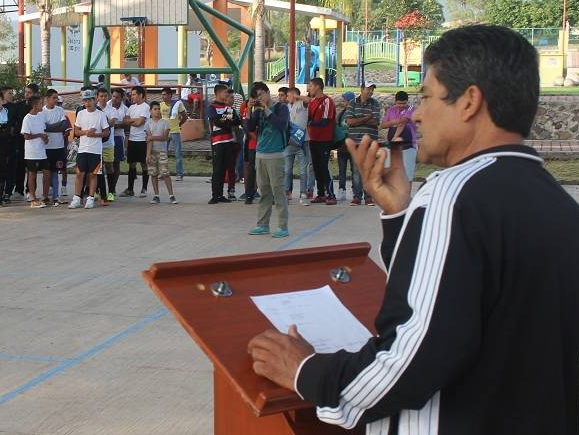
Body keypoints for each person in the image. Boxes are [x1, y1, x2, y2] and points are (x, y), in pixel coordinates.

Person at [247, 25, 579, 434]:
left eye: (426, 96)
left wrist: (307, 371)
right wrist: (401, 215)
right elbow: (454, 301)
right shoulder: (558, 203)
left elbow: (410, 358)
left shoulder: (453, 194)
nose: (416, 114)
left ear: (469, 101)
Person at [247, 83, 290, 238]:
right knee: (264, 192)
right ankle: (263, 225)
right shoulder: (257, 111)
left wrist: (266, 109)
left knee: (278, 192)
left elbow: (281, 125)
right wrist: (249, 110)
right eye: (256, 97)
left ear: (267, 92)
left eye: (261, 95)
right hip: (260, 155)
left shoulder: (281, 108)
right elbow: (249, 128)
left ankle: (283, 226)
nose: (259, 98)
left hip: (276, 155)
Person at [69, 89, 109, 209]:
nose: (87, 102)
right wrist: (86, 132)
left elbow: (106, 132)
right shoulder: (81, 114)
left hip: (95, 150)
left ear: (94, 100)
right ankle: (77, 198)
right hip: (82, 149)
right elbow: (76, 131)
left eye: (89, 100)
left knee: (93, 175)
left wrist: (95, 134)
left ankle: (90, 198)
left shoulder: (101, 115)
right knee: (79, 174)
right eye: (85, 100)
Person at [344, 81, 380, 206]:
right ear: (362, 89)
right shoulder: (352, 103)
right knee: (356, 170)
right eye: (368, 89)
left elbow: (375, 122)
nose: (370, 91)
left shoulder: (375, 103)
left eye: (372, 89)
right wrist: (366, 118)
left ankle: (369, 197)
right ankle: (357, 197)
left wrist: (358, 120)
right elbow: (350, 122)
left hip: (370, 143)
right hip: (355, 143)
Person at [208, 83, 240, 204]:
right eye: (225, 92)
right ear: (218, 93)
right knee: (217, 169)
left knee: (225, 168)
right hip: (217, 142)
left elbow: (236, 121)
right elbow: (217, 122)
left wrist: (225, 119)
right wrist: (226, 120)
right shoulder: (212, 107)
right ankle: (215, 195)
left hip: (229, 141)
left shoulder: (229, 107)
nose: (227, 94)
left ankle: (220, 195)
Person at [306, 78, 336, 205]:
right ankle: (321, 194)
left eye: (311, 86)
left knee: (324, 167)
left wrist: (311, 123)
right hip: (313, 138)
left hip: (324, 139)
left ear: (318, 86)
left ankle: (331, 194)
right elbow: (308, 118)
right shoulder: (312, 102)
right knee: (316, 167)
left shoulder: (327, 101)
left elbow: (325, 120)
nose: (309, 88)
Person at [382, 90, 418, 183]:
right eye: (399, 103)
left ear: (407, 102)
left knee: (407, 175)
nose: (401, 105)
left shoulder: (410, 108)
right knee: (391, 174)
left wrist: (395, 136)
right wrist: (395, 122)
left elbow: (403, 122)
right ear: (395, 101)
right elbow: (383, 125)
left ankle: (407, 193)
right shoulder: (390, 110)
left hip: (408, 145)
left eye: (404, 103)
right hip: (392, 146)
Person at [21, 95, 50, 208]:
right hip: (31, 152)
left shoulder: (41, 116)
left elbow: (43, 131)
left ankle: (45, 197)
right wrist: (40, 135)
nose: (42, 105)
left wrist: (45, 138)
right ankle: (33, 198)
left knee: (47, 172)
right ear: (34, 105)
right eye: (40, 103)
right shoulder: (27, 118)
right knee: (32, 174)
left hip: (41, 151)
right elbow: (26, 136)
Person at [42, 88, 69, 204]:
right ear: (47, 99)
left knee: (56, 172)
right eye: (54, 98)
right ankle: (45, 195)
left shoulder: (60, 110)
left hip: (59, 146)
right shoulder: (42, 111)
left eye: (57, 98)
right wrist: (55, 127)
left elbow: (63, 126)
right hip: (46, 147)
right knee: (46, 172)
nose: (56, 100)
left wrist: (49, 127)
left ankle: (55, 196)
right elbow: (43, 127)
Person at [145, 101, 176, 205]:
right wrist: (148, 154)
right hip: (152, 152)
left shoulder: (165, 123)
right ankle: (156, 195)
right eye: (155, 109)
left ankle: (171, 195)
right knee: (153, 174)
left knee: (165, 173)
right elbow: (149, 141)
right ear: (150, 111)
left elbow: (164, 137)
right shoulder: (148, 123)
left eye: (159, 109)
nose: (158, 111)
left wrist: (152, 137)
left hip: (162, 151)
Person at [122, 85, 150, 198]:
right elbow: (125, 121)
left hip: (142, 140)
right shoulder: (131, 107)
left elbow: (140, 123)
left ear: (141, 95)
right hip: (132, 139)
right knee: (131, 164)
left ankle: (144, 189)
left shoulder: (146, 107)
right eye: (131, 95)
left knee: (144, 164)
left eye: (134, 94)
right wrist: (134, 120)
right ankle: (130, 189)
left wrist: (131, 121)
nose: (132, 97)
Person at [159, 87, 187, 182]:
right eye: (162, 95)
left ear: (170, 95)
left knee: (178, 154)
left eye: (164, 95)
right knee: (163, 154)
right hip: (164, 132)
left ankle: (180, 174)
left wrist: (179, 124)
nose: (163, 96)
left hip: (175, 132)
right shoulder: (161, 105)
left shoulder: (178, 104)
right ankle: (163, 173)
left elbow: (185, 116)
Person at [106, 88, 128, 197]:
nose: (114, 99)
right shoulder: (106, 106)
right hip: (105, 138)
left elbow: (126, 125)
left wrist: (113, 125)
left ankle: (112, 188)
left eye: (117, 97)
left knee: (116, 163)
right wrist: (118, 124)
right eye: (113, 96)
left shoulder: (125, 109)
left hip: (118, 137)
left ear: (122, 98)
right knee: (104, 164)